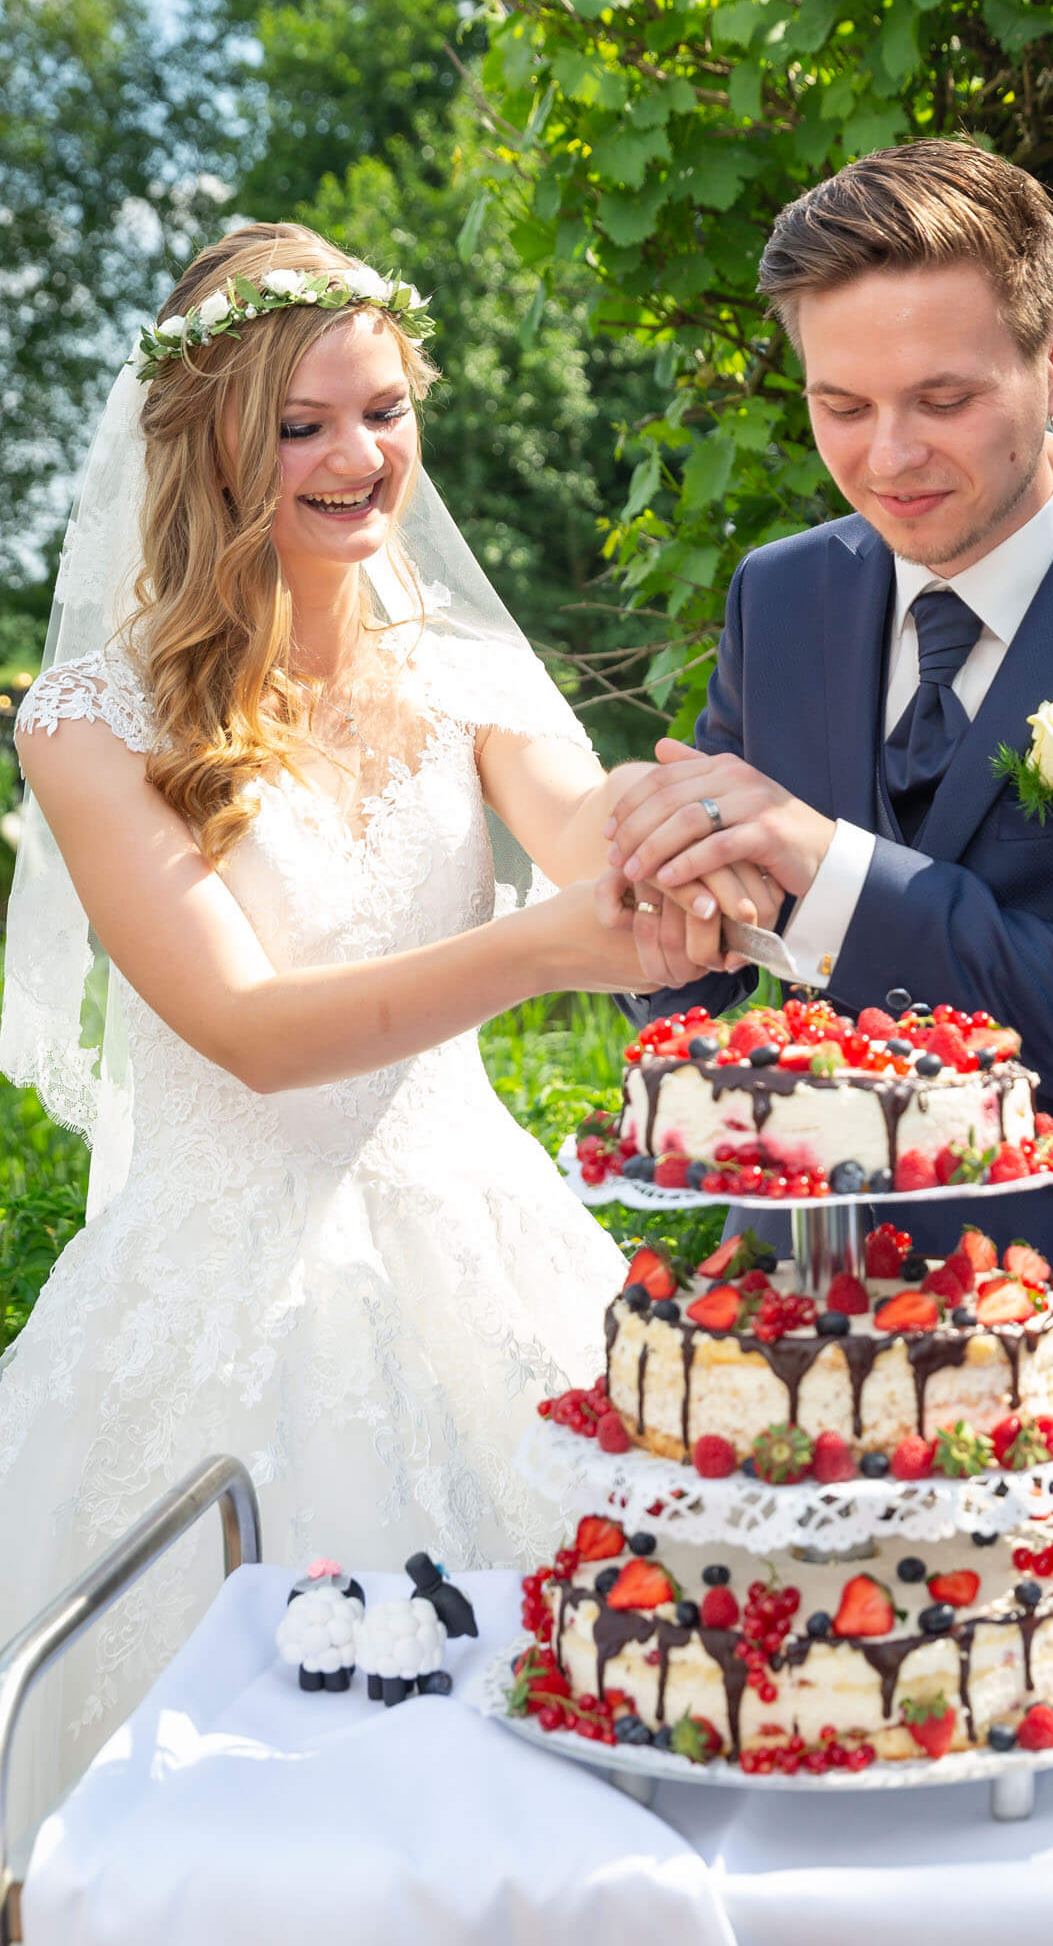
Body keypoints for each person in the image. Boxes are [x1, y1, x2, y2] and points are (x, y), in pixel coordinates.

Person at [0, 223, 755, 1821]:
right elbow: (254, 1031)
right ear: (209, 444)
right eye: (303, 425)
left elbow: (594, 845)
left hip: (494, 1258)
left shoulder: (471, 668)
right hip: (225, 1294)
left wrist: (694, 845)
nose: (361, 457)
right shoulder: (88, 722)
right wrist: (552, 946)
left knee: (580, 1758)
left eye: (386, 411)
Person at [603, 139, 1053, 1589]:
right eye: (842, 405)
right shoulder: (784, 594)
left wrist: (831, 872)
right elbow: (718, 985)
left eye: (943, 400)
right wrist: (674, 923)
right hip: (801, 1346)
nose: (888, 457)